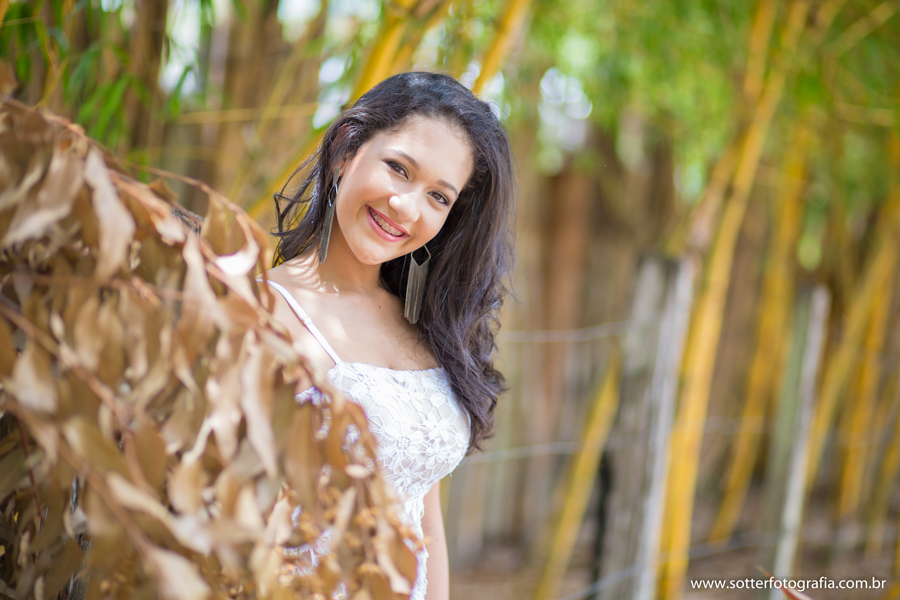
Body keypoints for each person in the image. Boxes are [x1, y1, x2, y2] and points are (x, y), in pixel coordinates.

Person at [260, 71, 515, 600]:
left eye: (439, 198)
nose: (407, 207)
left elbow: (426, 522)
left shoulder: (422, 329)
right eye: (399, 169)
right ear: (345, 152)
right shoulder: (263, 312)